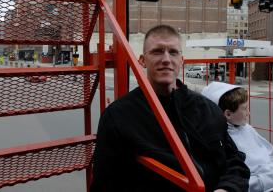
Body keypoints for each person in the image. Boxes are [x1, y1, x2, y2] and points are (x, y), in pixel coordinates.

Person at [91, 25, 250, 192]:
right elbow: (105, 183)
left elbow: (235, 164)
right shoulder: (119, 116)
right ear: (142, 60)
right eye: (157, 51)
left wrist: (226, 189)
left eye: (173, 52)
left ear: (182, 60)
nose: (166, 59)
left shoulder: (207, 109)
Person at [202, 82, 273, 192]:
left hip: (265, 174)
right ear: (228, 114)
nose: (249, 113)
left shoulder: (246, 128)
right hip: (252, 180)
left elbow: (268, 154)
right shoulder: (223, 137)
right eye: (244, 108)